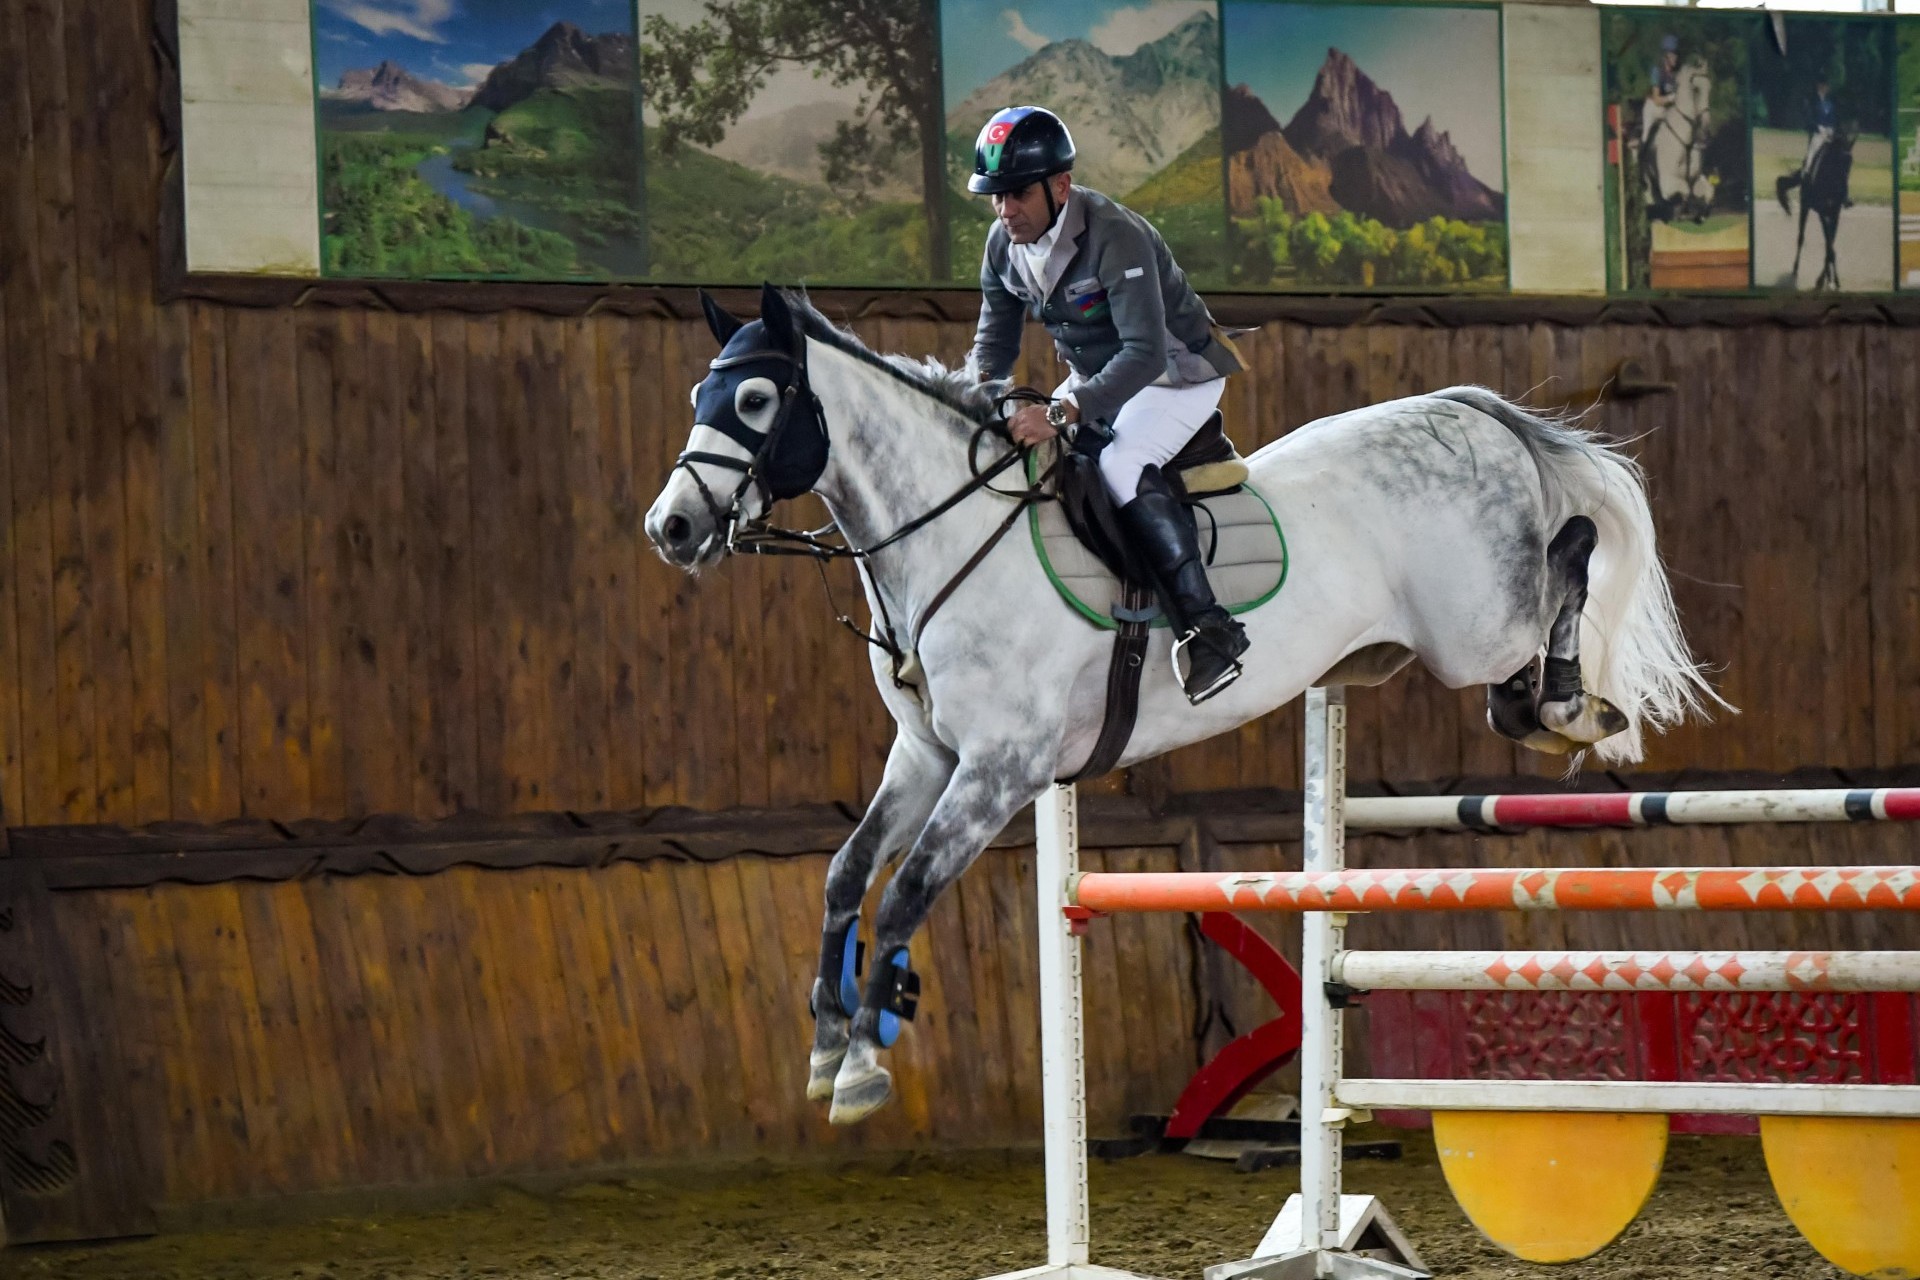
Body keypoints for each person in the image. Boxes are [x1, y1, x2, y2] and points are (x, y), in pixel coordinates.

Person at [964, 105, 1250, 704]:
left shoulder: (1114, 233)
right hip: (1102, 374)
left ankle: (1209, 629)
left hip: (1177, 373)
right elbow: (993, 345)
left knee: (1120, 465)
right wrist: (978, 400)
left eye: (1016, 194)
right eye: (996, 196)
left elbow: (1145, 354)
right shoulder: (1003, 243)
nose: (1004, 209)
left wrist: (1063, 413)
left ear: (1060, 185)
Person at [1641, 34, 1680, 152]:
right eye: (1673, 54)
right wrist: (1671, 98)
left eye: (1675, 54)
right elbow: (1657, 100)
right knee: (1646, 134)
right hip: (1652, 108)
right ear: (1666, 56)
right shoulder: (1656, 71)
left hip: (1666, 110)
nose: (1676, 57)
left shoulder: (1674, 75)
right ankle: (1641, 160)